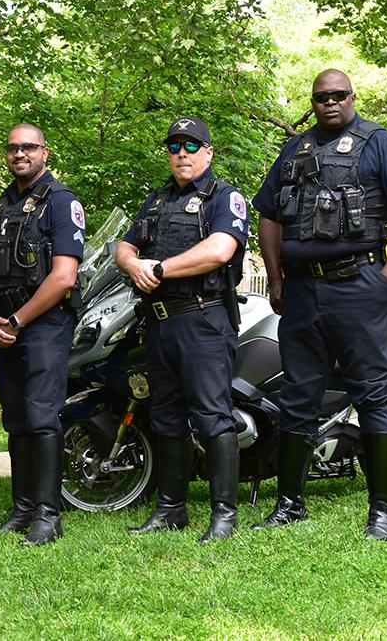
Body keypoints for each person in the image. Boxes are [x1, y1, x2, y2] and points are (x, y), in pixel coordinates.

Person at [252, 69, 387, 540]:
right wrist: (274, 276)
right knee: (298, 395)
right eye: (320, 97)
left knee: (372, 392)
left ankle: (382, 511)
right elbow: (268, 214)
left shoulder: (379, 143)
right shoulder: (295, 149)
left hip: (358, 286)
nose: (329, 103)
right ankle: (290, 504)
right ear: (312, 102)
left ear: (353, 97)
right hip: (301, 292)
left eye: (338, 95)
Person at [116, 117, 249, 542]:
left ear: (208, 152)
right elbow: (124, 245)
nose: (182, 154)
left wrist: (160, 268)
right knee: (166, 418)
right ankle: (171, 509)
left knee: (212, 417)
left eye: (191, 146)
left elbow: (220, 248)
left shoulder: (223, 197)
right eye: (174, 146)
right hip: (159, 324)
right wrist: (132, 263)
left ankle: (224, 515)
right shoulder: (155, 202)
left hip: (203, 318)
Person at [0, 123, 85, 546]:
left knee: (40, 416)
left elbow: (63, 277)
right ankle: (22, 510)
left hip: (44, 324)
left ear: (44, 153)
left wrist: (17, 321)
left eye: (29, 147)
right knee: (16, 418)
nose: (20, 154)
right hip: (4, 327)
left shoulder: (60, 202)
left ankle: (48, 515)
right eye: (13, 147)